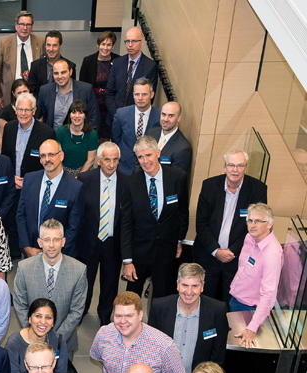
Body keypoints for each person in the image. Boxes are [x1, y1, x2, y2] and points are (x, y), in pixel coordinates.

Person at [148, 263, 229, 373]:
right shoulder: (159, 307)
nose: (189, 292)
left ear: (202, 287)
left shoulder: (217, 311)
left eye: (195, 286)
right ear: (177, 284)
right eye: (185, 285)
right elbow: (150, 349)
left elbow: (218, 356)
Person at [194, 150, 268, 302]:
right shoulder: (209, 186)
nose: (235, 170)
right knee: (204, 300)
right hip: (209, 254)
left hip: (237, 258)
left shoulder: (258, 189)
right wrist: (216, 251)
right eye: (231, 165)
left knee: (230, 303)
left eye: (240, 165)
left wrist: (231, 251)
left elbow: (256, 228)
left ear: (246, 168)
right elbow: (201, 223)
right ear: (224, 167)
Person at [120, 135, 189, 299]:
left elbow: (182, 213)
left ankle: (156, 326)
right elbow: (126, 224)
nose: (145, 161)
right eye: (140, 157)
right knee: (132, 298)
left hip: (166, 252)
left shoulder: (178, 178)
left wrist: (179, 240)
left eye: (148, 155)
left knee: (162, 298)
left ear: (158, 152)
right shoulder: (130, 183)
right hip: (139, 253)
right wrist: (127, 261)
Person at [90, 292, 186, 373]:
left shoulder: (164, 346)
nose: (122, 321)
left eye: (129, 316)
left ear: (140, 315)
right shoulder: (103, 335)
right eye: (118, 316)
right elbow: (99, 358)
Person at [13, 219, 87, 354]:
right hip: (31, 342)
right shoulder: (24, 268)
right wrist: (34, 333)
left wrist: (54, 339)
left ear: (63, 242)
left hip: (63, 342)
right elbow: (20, 304)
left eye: (56, 240)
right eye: (47, 240)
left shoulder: (79, 270)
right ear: (39, 242)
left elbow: (76, 311)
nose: (51, 245)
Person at [76, 142, 126, 325]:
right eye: (107, 160)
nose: (111, 164)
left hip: (113, 242)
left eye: (115, 160)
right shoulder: (83, 179)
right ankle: (80, 312)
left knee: (110, 283)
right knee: (85, 282)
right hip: (89, 240)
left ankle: (105, 316)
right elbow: (78, 212)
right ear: (98, 160)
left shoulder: (126, 182)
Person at [16, 139, 84, 258]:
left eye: (51, 154)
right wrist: (26, 247)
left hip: (60, 255)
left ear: (61, 156)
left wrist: (54, 253)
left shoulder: (75, 187)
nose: (47, 159)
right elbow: (21, 215)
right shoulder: (29, 179)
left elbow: (73, 228)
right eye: (43, 156)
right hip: (31, 251)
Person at [229, 202, 284, 348]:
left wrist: (252, 327)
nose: (252, 225)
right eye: (250, 220)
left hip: (250, 311)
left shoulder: (272, 254)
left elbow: (269, 294)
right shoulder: (249, 238)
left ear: (270, 224)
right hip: (236, 299)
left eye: (258, 221)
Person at [0, 11, 44, 111]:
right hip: (8, 96)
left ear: (32, 26)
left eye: (28, 24)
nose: (25, 28)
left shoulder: (41, 42)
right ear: (16, 25)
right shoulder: (3, 42)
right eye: (22, 24)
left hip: (33, 95)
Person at [105, 27, 158, 125]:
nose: (130, 45)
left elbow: (149, 98)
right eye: (127, 41)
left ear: (141, 42)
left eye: (133, 41)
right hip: (115, 117)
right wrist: (116, 114)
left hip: (135, 120)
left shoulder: (150, 66)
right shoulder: (118, 62)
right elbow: (109, 92)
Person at [6, 298, 69, 373]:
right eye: (38, 316)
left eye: (48, 317)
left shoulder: (58, 341)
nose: (43, 321)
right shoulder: (13, 344)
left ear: (53, 322)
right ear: (29, 319)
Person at [2, 92, 57, 181]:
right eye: (20, 109)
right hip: (12, 183)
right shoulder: (9, 128)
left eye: (27, 110)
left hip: (35, 184)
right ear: (15, 110)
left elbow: (49, 164)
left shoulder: (47, 133)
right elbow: (5, 158)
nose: (23, 113)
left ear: (34, 110)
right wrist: (12, 178)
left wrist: (28, 181)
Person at [111, 78, 161, 175]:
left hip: (148, 169)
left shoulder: (159, 117)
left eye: (144, 94)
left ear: (152, 95)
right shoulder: (121, 114)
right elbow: (116, 138)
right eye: (137, 94)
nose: (140, 98)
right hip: (124, 168)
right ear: (133, 95)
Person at [37, 59, 99, 130]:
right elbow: (41, 117)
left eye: (63, 72)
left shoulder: (86, 90)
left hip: (79, 137)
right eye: (56, 73)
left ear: (70, 72)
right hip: (53, 138)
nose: (59, 76)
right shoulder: (45, 91)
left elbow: (94, 118)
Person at [79, 31, 119, 139]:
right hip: (93, 102)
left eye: (108, 44)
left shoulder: (118, 61)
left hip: (110, 104)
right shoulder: (88, 61)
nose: (105, 48)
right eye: (103, 44)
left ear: (113, 46)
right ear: (98, 44)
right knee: (92, 133)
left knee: (109, 133)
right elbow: (82, 85)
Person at [146, 102, 193, 173]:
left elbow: (175, 178)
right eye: (163, 114)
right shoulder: (151, 133)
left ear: (178, 118)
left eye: (171, 116)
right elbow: (138, 158)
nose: (165, 119)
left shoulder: (183, 148)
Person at [28, 30, 76, 99]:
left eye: (54, 45)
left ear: (60, 46)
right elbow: (31, 90)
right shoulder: (35, 66)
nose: (51, 49)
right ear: (45, 46)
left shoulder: (70, 66)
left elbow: (72, 91)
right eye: (48, 45)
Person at [55, 99, 98, 176]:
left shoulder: (92, 134)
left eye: (80, 113)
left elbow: (90, 160)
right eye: (74, 112)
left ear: (85, 116)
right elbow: (57, 156)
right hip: (63, 170)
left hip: (85, 170)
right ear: (70, 115)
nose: (77, 116)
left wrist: (78, 177)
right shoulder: (61, 131)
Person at [0, 79, 29, 152]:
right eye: (19, 92)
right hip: (11, 150)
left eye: (25, 91)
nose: (22, 95)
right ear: (13, 94)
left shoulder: (37, 110)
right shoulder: (5, 113)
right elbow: (1, 136)